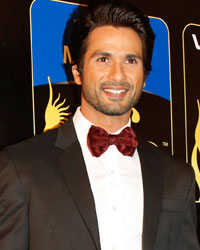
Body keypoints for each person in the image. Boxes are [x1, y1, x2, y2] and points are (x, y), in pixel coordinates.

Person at [0, 1, 199, 250]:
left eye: (131, 61)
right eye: (103, 59)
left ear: (145, 77)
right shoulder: (21, 168)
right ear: (77, 72)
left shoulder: (178, 178)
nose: (117, 75)